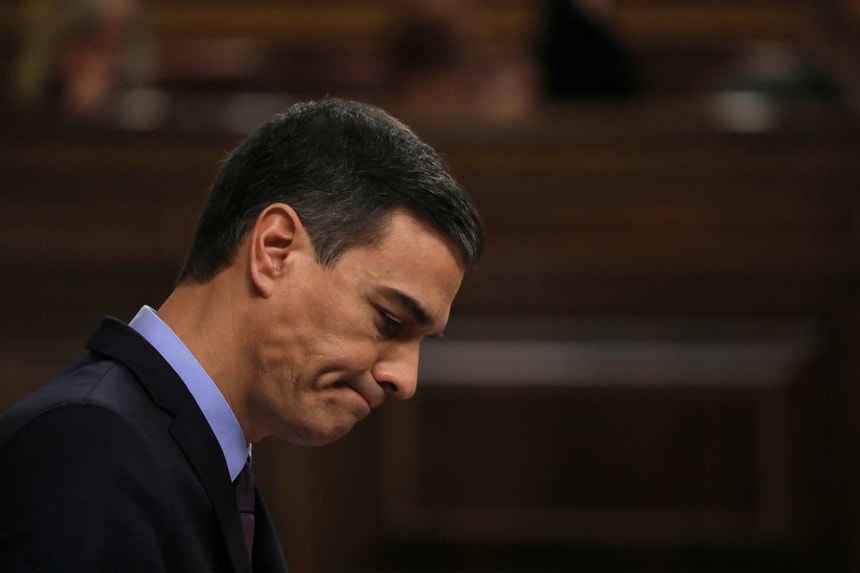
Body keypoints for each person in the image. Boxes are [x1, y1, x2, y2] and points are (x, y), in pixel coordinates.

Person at [0, 98, 484, 572]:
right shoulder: (88, 445)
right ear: (276, 250)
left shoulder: (203, 464)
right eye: (390, 320)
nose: (405, 380)